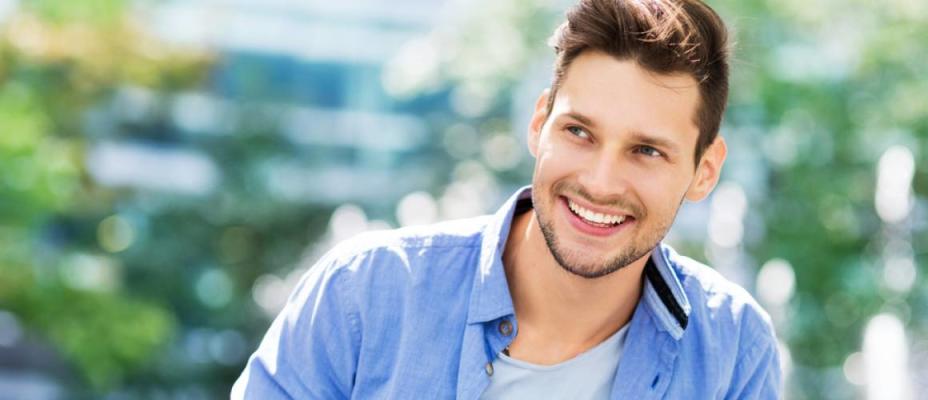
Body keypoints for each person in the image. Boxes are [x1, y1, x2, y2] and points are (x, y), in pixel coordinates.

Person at [232, 0, 781, 398]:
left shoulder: (733, 349)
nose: (601, 181)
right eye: (579, 133)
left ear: (704, 171)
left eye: (646, 151)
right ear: (539, 122)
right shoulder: (365, 293)